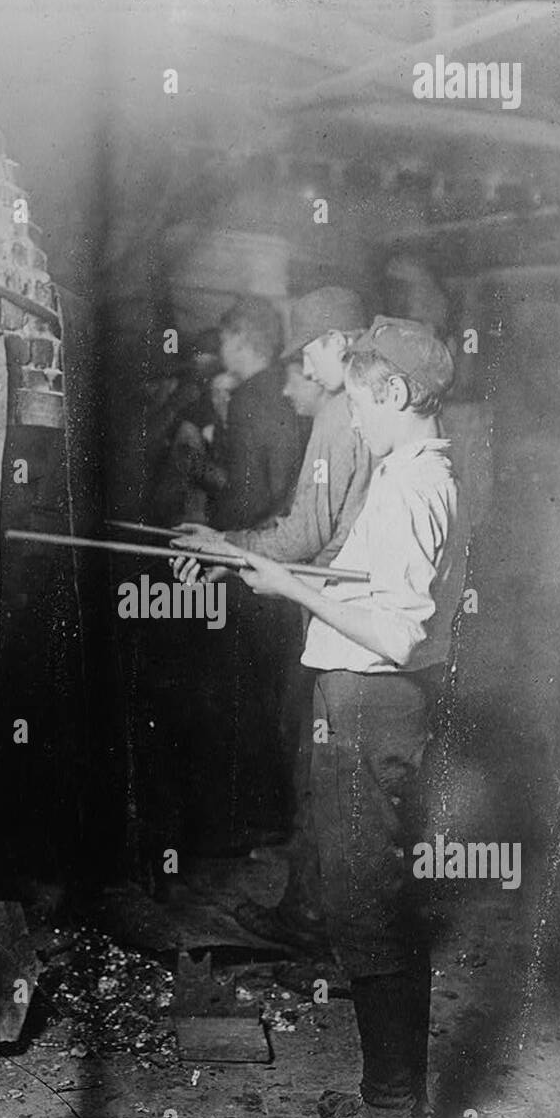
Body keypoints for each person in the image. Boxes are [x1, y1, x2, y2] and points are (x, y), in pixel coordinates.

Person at [183, 317, 469, 1118]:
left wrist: (279, 583)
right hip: (366, 700)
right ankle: (394, 1104)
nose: (350, 414)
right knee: (365, 895)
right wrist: (267, 571)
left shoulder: (416, 484)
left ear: (391, 393)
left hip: (373, 702)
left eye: (355, 397)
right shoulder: (408, 471)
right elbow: (368, 584)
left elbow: (394, 628)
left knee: (365, 904)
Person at [174, 286, 373, 936]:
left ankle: (319, 922)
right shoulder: (369, 409)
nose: (302, 374)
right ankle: (318, 912)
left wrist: (227, 546)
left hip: (340, 611)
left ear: (339, 343)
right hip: (353, 611)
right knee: (329, 766)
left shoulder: (342, 413)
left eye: (309, 353)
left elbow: (305, 528)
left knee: (321, 763)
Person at [207, 297, 307, 530]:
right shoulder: (287, 384)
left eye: (224, 341)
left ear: (240, 340)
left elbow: (248, 493)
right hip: (286, 521)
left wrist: (217, 535)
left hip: (255, 532)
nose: (221, 350)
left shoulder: (245, 398)